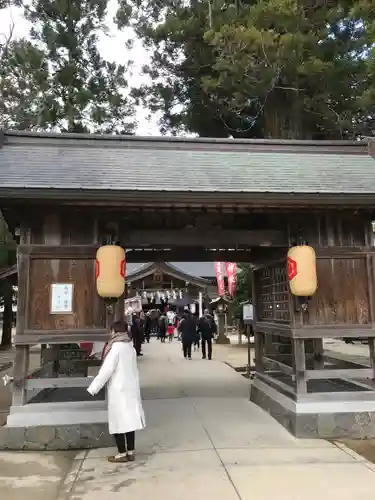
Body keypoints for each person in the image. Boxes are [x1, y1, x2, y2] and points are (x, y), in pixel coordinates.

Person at [87, 320, 146, 463]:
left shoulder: (115, 349)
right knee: (129, 421)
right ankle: (131, 451)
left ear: (114, 331)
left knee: (118, 421)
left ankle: (121, 453)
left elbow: (106, 371)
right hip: (130, 387)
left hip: (119, 390)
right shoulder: (129, 347)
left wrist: (93, 388)